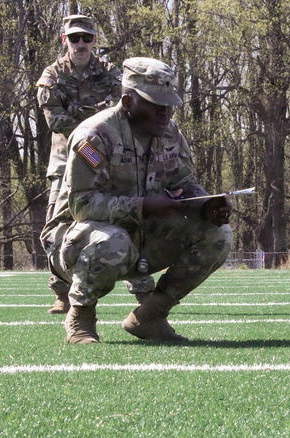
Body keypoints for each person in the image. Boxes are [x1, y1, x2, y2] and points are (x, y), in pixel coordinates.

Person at [41, 57, 233, 344]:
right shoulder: (95, 135)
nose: (165, 112)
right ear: (128, 102)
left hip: (142, 236)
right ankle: (80, 317)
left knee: (218, 235)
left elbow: (184, 182)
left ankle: (150, 316)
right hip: (78, 241)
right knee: (111, 240)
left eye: (168, 104)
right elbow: (81, 206)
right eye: (156, 104)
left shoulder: (170, 133)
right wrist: (142, 205)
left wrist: (204, 204)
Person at [37, 15, 150, 315]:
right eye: (74, 38)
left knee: (128, 214)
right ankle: (62, 291)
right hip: (65, 162)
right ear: (65, 40)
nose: (81, 44)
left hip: (108, 159)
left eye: (87, 38)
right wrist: (96, 121)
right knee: (56, 225)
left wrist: (94, 122)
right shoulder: (52, 75)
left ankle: (142, 289)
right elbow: (56, 121)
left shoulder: (112, 74)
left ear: (94, 41)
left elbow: (123, 110)